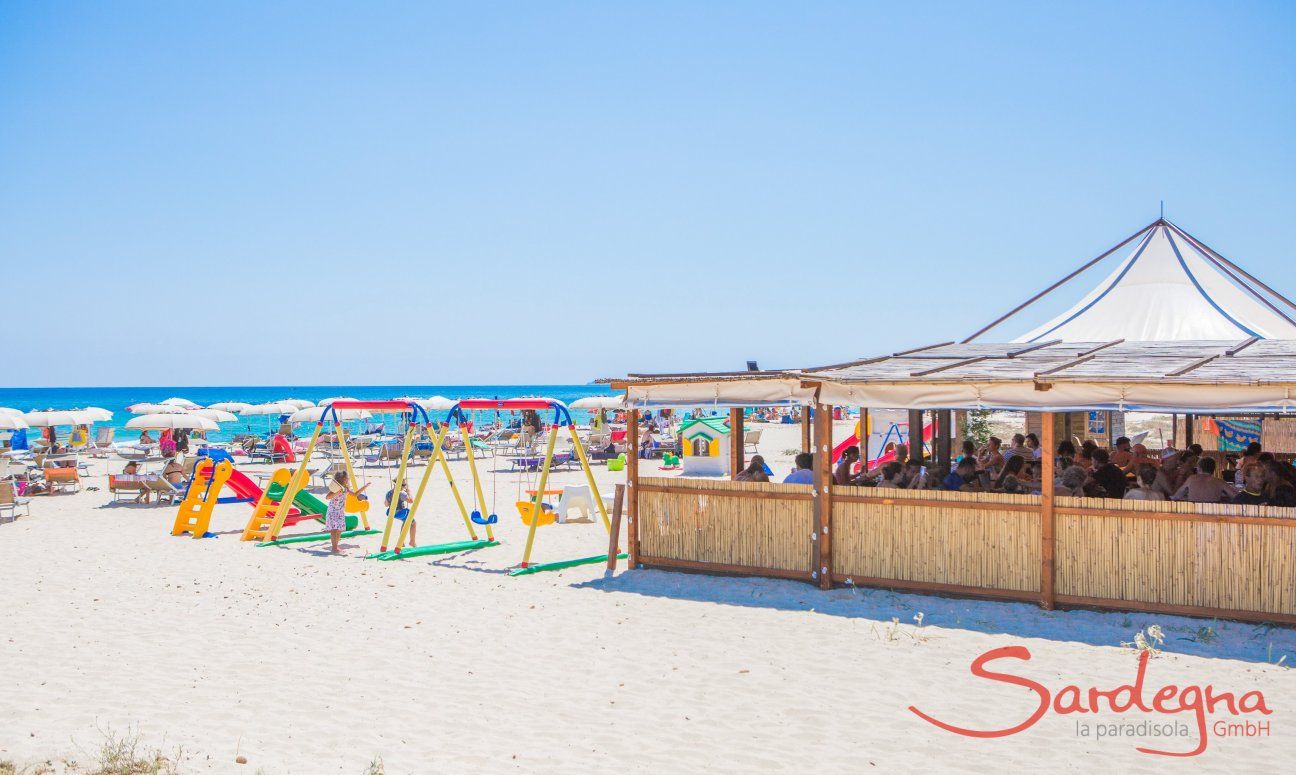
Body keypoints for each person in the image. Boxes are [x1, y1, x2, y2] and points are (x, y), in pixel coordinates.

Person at [325, 471, 369, 555]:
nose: (348, 479)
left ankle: (336, 547)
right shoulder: (337, 487)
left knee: (339, 530)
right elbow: (327, 497)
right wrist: (337, 493)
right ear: (342, 479)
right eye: (347, 478)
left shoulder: (345, 488)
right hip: (333, 511)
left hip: (340, 511)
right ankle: (334, 548)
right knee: (334, 530)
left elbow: (355, 494)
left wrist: (364, 487)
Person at [386, 480, 416, 546]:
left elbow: (386, 504)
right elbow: (411, 501)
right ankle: (412, 541)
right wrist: (409, 492)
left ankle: (401, 542)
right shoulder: (401, 493)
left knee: (405, 522)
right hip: (401, 513)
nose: (404, 487)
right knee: (413, 523)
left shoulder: (388, 493)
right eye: (404, 485)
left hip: (392, 513)